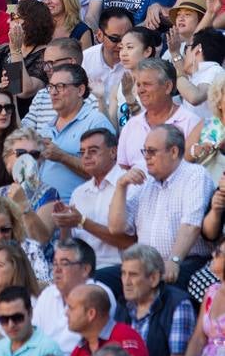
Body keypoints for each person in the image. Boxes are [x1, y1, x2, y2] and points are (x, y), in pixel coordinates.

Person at [107, 124, 214, 292]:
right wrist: (121, 186)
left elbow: (191, 225)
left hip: (187, 260)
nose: (146, 157)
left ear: (173, 152)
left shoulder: (195, 174)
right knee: (99, 280)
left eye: (152, 151)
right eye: (145, 152)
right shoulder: (146, 180)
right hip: (146, 264)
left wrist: (174, 260)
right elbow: (116, 227)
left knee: (155, 285)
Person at [52, 128, 135, 270]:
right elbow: (68, 245)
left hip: (120, 268)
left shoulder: (130, 185)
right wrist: (65, 224)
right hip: (83, 270)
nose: (86, 156)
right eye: (82, 152)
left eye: (93, 151)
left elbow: (131, 243)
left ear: (113, 152)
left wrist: (82, 221)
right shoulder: (79, 192)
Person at [115, 244, 196, 356]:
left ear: (154, 278)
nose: (126, 282)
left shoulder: (178, 305)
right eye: (123, 273)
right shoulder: (123, 305)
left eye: (133, 275)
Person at [39, 63, 116, 201]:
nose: (53, 92)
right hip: (44, 211)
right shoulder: (46, 129)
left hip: (79, 214)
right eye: (50, 87)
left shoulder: (95, 122)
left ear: (80, 90)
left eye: (60, 86)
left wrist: (62, 157)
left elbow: (106, 171)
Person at [116, 58, 200, 172]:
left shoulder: (191, 123)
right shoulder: (131, 126)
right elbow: (122, 170)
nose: (140, 90)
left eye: (147, 84)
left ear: (168, 87)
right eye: (139, 85)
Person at [0, 0, 52, 117]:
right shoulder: (6, 50)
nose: (8, 21)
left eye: (14, 17)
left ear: (32, 22)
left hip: (20, 122)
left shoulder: (46, 54)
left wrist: (15, 50)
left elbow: (21, 91)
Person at [169, 27, 225, 120]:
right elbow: (185, 79)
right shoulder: (199, 74)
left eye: (187, 47)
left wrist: (175, 73)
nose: (185, 53)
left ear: (198, 49)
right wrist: (175, 53)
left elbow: (195, 97)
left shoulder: (214, 71)